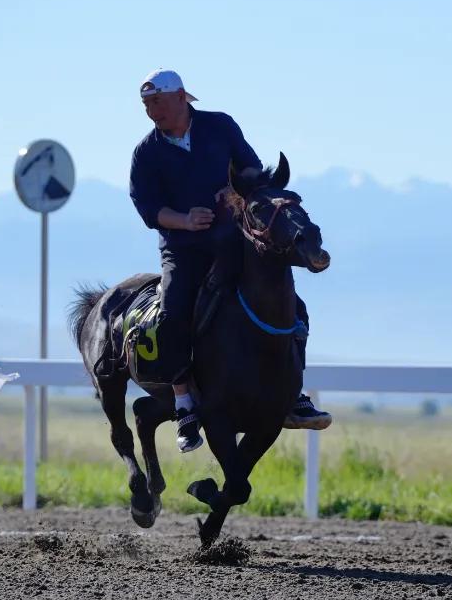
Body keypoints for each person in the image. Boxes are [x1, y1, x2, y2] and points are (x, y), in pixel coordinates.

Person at [129, 68, 331, 453]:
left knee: (292, 307)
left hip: (232, 239)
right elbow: (149, 209)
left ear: (181, 97)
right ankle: (185, 404)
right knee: (172, 315)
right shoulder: (146, 152)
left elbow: (251, 172)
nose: (151, 110)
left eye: (157, 101)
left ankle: (293, 393)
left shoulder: (220, 126)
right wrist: (185, 220)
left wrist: (237, 192)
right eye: (146, 104)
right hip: (182, 249)